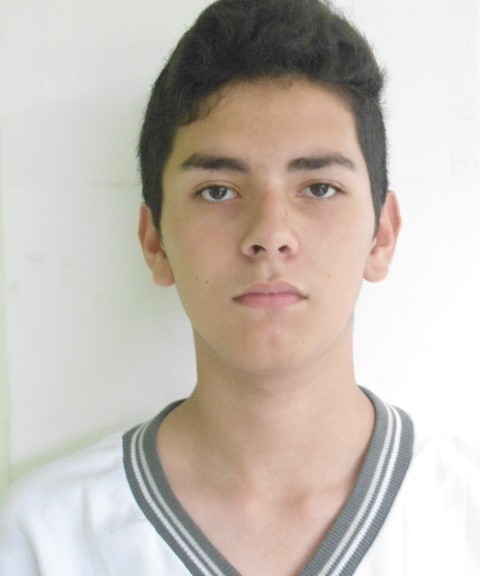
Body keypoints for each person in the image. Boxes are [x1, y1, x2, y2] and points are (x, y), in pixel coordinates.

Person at [1, 0, 479, 574]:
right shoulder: (43, 538)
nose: (269, 235)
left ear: (382, 235)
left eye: (319, 188)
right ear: (155, 242)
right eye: (218, 191)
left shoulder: (463, 518)